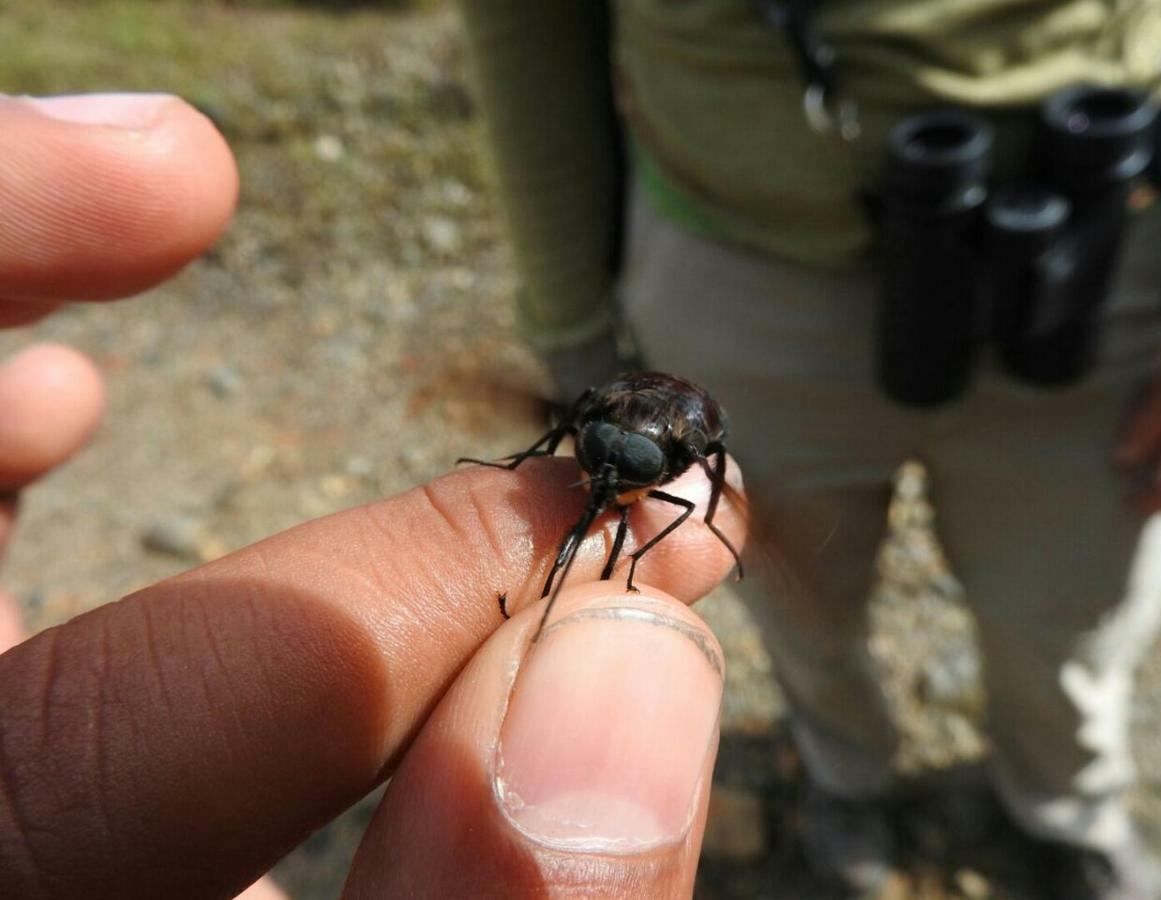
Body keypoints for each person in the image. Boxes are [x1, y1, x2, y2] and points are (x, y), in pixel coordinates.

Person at [459, 1, 1161, 896]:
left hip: (1111, 238)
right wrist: (574, 329)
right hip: (741, 247)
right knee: (787, 589)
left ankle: (1069, 804)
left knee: (1076, 610)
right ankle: (848, 777)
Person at [0, 92, 746, 898]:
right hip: (629, 404)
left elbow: (692, 461)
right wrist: (546, 460)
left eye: (623, 476)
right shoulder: (599, 430)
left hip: (666, 409)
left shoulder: (671, 454)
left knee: (648, 526)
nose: (604, 485)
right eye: (598, 462)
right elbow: (576, 420)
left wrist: (654, 552)